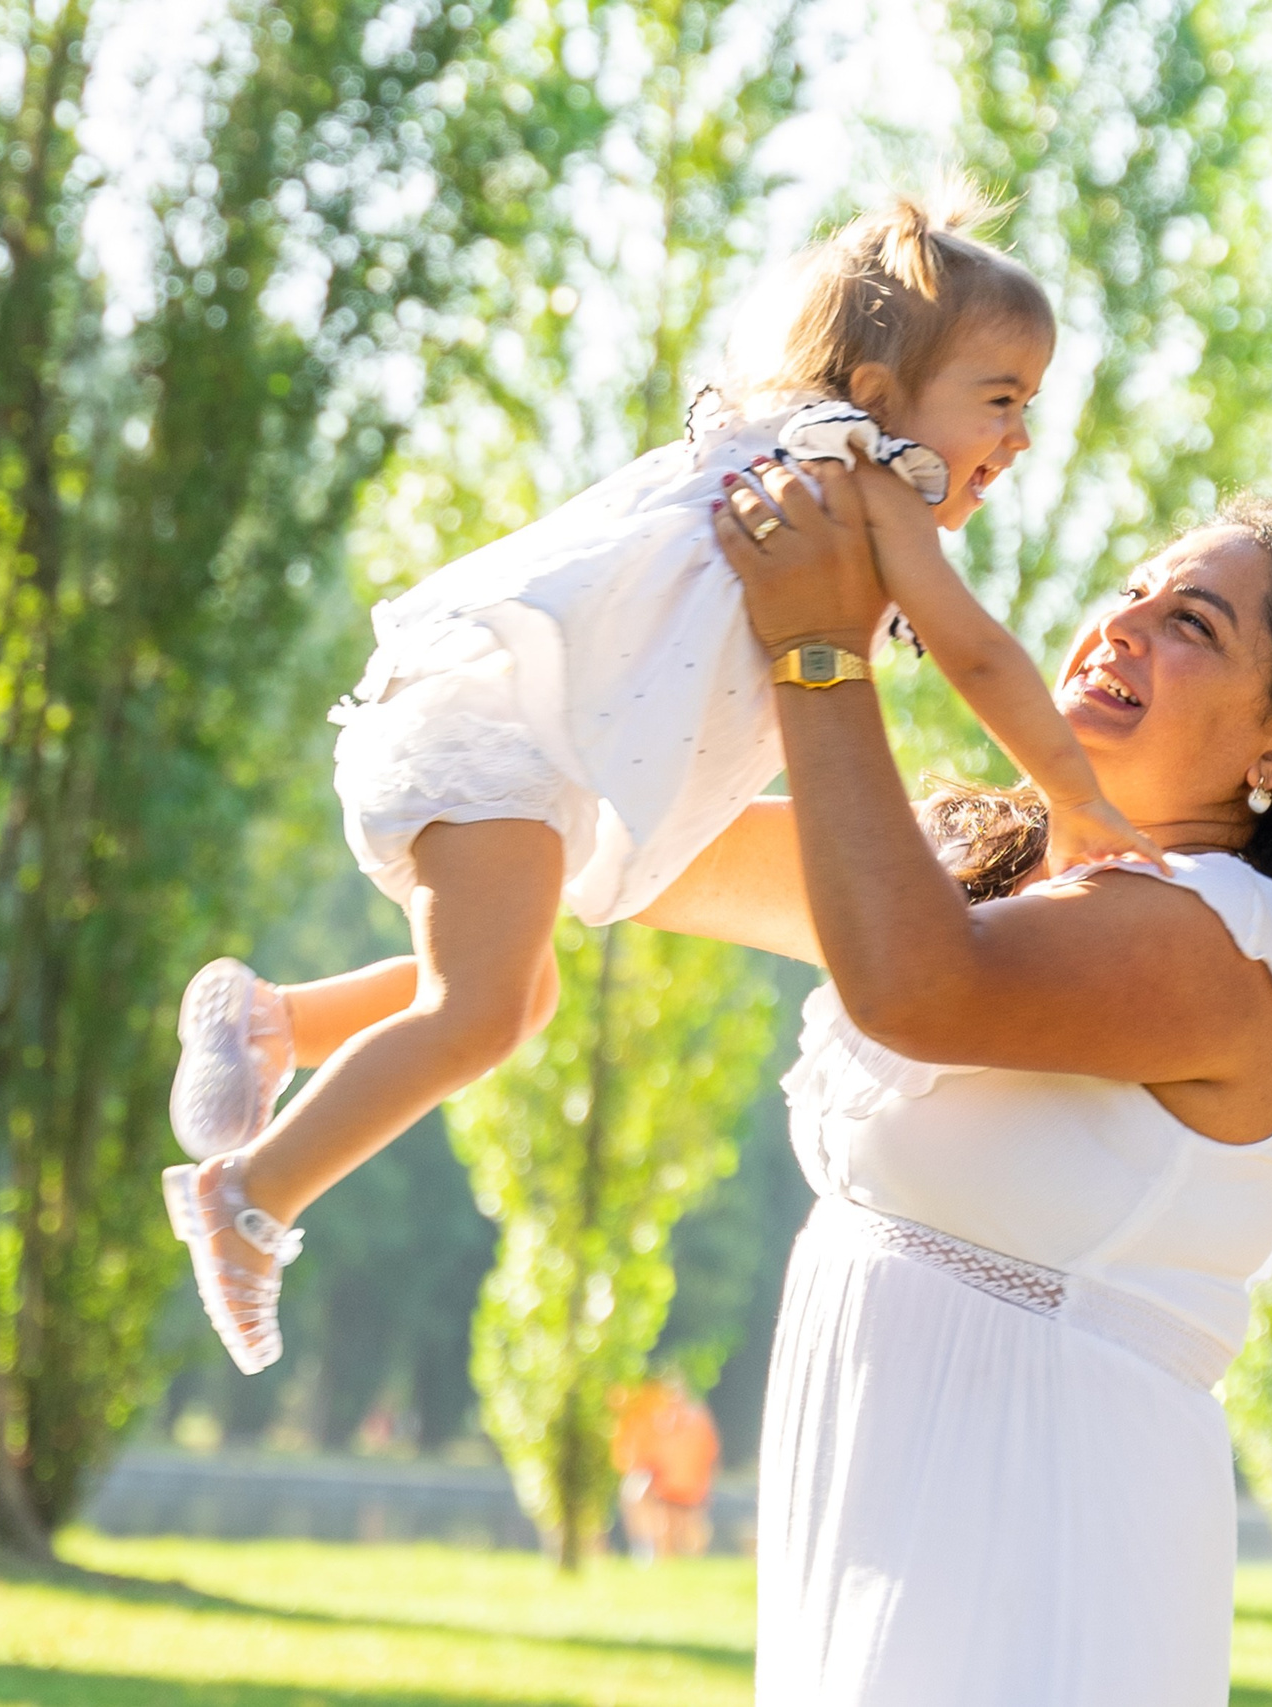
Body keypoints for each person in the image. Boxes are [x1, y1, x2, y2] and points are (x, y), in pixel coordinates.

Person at [642, 459, 1272, 1700]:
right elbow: (638, 852)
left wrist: (821, 647)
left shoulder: (1218, 949)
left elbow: (914, 988)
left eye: (1190, 624)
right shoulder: (986, 875)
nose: (1119, 624)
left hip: (1032, 1544)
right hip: (896, 1517)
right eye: (1130, 591)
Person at [159, 188, 1159, 1372]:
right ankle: (251, 1200)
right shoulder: (863, 477)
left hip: (509, 729)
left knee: (513, 998)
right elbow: (979, 653)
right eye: (1000, 401)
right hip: (506, 731)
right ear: (885, 398)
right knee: (479, 1009)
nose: (1021, 438)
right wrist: (1077, 798)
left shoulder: (773, 444)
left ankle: (279, 1019)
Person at [612, 1374, 723, 1561]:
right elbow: (648, 1455)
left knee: (688, 1530)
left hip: (689, 1486)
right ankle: (652, 1553)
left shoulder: (695, 1421)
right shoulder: (661, 1421)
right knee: (664, 1525)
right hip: (668, 1485)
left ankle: (679, 1558)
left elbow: (709, 1454)